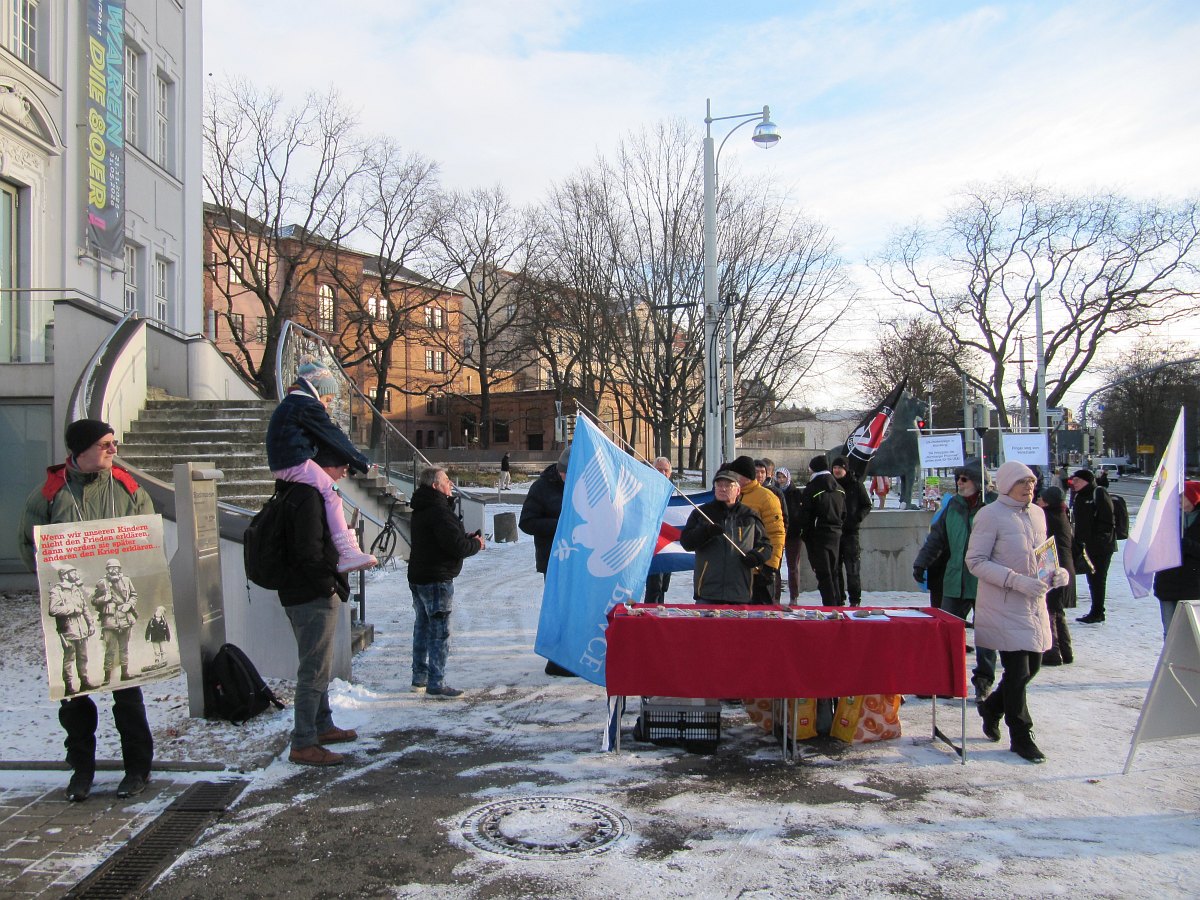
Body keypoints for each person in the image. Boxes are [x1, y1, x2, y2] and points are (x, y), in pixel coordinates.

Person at [18, 418, 155, 801]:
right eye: (105, 444)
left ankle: (137, 769)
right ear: (80, 450)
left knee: (127, 690)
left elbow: (146, 541)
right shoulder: (49, 494)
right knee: (75, 694)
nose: (113, 450)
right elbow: (29, 545)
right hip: (72, 616)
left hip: (117, 617)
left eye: (114, 443)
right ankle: (81, 770)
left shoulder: (127, 489)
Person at [966, 461, 1070, 763]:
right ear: (1007, 484)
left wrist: (1057, 573)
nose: (1029, 487)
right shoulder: (989, 515)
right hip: (1003, 604)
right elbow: (976, 561)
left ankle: (991, 708)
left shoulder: (1037, 514)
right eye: (1023, 482)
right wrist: (1015, 581)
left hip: (1033, 604)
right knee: (1018, 671)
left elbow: (1043, 555)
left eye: (1032, 482)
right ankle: (1022, 736)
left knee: (1032, 668)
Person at [275, 446, 359, 766]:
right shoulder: (309, 498)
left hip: (301, 592)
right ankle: (304, 741)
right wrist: (329, 586)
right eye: (341, 467)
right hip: (311, 595)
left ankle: (321, 726)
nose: (344, 474)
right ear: (325, 467)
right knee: (313, 670)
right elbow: (309, 552)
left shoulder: (299, 492)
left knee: (316, 666)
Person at [266, 359, 376, 573]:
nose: (326, 405)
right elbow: (331, 434)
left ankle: (347, 550)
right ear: (315, 390)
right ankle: (348, 552)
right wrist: (360, 460)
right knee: (331, 492)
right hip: (293, 460)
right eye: (327, 398)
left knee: (328, 491)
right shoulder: (306, 405)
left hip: (285, 460)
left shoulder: (292, 404)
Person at [913, 462, 997, 703]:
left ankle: (983, 682)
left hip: (985, 582)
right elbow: (937, 538)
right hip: (955, 579)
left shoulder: (993, 507)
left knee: (986, 636)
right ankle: (942, 680)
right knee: (946, 632)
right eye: (958, 478)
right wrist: (922, 562)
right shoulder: (953, 505)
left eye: (964, 479)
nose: (959, 483)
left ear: (979, 483)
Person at [407, 466, 484, 697]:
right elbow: (456, 546)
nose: (451, 484)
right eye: (447, 481)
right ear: (435, 486)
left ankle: (419, 678)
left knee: (422, 628)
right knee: (439, 632)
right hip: (436, 579)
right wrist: (476, 544)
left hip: (419, 575)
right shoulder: (439, 511)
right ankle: (436, 682)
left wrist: (464, 537)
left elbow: (442, 539)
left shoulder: (422, 508)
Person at [519, 446, 574, 675]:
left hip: (577, 560)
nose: (570, 479)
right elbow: (526, 522)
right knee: (557, 609)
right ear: (560, 470)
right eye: (567, 474)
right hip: (553, 558)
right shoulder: (541, 488)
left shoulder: (580, 486)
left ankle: (569, 656)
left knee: (572, 610)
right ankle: (555, 661)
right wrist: (559, 526)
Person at [678, 469, 772, 603]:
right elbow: (686, 542)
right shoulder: (702, 513)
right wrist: (706, 532)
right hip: (708, 592)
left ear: (738, 490)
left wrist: (757, 556)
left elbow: (765, 546)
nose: (722, 489)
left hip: (740, 592)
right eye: (719, 485)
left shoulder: (750, 515)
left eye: (728, 485)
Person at [724, 455, 785, 604]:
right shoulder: (732, 495)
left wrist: (770, 566)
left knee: (761, 616)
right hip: (736, 569)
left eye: (734, 474)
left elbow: (776, 534)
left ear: (744, 476)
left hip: (759, 569)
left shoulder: (766, 498)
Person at [1152, 481, 1200, 639]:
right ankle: (1170, 663)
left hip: (1193, 587)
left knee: (1190, 634)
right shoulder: (1169, 517)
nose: (1178, 501)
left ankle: (1190, 663)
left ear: (1193, 497)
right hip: (1167, 582)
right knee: (1170, 633)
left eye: (1182, 497)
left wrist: (1185, 544)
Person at [797, 455, 846, 605]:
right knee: (835, 571)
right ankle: (838, 602)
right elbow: (845, 513)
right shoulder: (840, 488)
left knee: (823, 572)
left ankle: (830, 605)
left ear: (813, 468)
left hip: (818, 535)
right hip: (837, 533)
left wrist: (804, 534)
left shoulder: (812, 488)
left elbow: (806, 515)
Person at [1035, 486, 1075, 665]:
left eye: (1041, 499)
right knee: (1058, 611)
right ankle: (1066, 652)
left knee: (1050, 610)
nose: (1038, 501)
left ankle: (1052, 652)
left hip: (1052, 567)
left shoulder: (1047, 517)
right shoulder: (1062, 514)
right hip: (1065, 565)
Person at [1069, 469, 1116, 624]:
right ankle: (1096, 610)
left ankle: (1098, 612)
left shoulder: (1098, 493)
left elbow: (1108, 520)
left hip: (1101, 547)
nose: (1073, 484)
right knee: (1092, 579)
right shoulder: (1079, 496)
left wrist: (1098, 540)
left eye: (1076, 480)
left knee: (1098, 579)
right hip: (1085, 546)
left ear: (1086, 481)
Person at [48, 562, 98, 696]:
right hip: (68, 630)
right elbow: (53, 610)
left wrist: (90, 624)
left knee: (83, 657)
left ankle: (84, 682)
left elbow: (85, 608)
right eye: (73, 572)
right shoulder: (56, 591)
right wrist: (72, 609)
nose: (76, 574)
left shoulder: (76, 589)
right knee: (69, 658)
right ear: (65, 575)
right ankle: (68, 686)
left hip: (81, 629)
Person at [831, 456, 871, 606]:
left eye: (840, 468)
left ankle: (855, 600)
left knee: (852, 568)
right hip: (834, 533)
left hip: (851, 533)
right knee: (835, 569)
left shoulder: (856, 485)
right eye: (835, 468)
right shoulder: (831, 485)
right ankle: (839, 598)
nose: (837, 470)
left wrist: (856, 518)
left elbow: (867, 505)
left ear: (845, 469)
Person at [92, 558, 139, 683]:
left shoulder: (126, 580)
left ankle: (125, 674)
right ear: (107, 570)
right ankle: (107, 678)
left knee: (124, 648)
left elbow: (134, 595)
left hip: (125, 617)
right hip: (109, 620)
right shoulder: (102, 583)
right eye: (111, 568)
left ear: (119, 569)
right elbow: (94, 601)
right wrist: (104, 598)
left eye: (116, 567)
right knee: (110, 649)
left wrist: (129, 604)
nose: (114, 570)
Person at [644, 457, 674, 604]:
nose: (662, 473)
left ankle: (659, 611)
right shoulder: (645, 490)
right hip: (650, 545)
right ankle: (650, 617)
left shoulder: (674, 493)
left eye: (665, 470)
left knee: (663, 585)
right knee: (654, 585)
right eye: (659, 469)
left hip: (667, 543)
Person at [775, 467, 805, 602]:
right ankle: (776, 596)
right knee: (776, 566)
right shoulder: (774, 492)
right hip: (778, 533)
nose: (781, 480)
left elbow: (799, 512)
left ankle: (794, 596)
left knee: (793, 566)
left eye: (783, 477)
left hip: (793, 533)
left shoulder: (796, 493)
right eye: (779, 477)